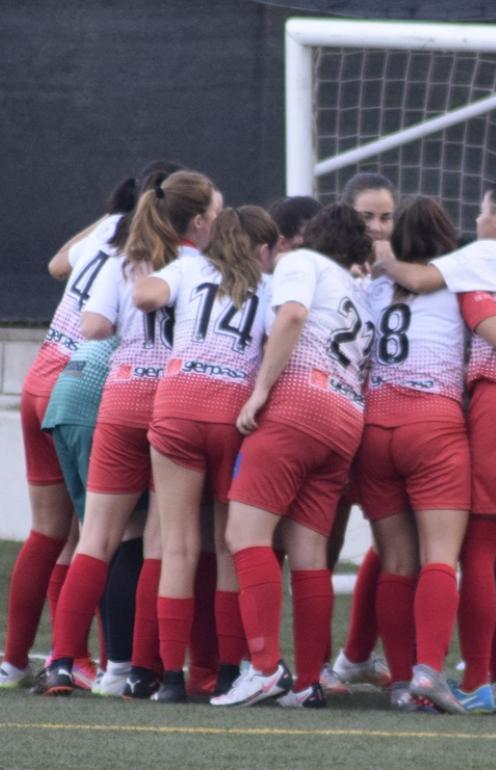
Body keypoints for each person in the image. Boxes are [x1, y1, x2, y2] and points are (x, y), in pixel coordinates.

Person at [379, 177, 496, 715]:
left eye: (483, 212)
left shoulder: (482, 254)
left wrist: (380, 255)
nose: (477, 220)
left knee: (479, 548)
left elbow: (418, 276)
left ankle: (480, 680)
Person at [33, 171, 222, 696]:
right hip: (170, 401)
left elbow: (91, 327)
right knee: (161, 541)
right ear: (199, 221)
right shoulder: (200, 267)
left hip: (119, 397)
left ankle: (63, 662)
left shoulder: (124, 260)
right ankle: (141, 670)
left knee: (96, 536)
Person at [211, 204, 374, 709]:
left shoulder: (301, 263)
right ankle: (307, 682)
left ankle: (263, 668)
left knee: (243, 534)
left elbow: (294, 315)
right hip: (346, 418)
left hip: (299, 404)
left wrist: (260, 390)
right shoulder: (361, 295)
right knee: (308, 557)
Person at [0, 173, 141, 690]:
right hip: (83, 382)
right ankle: (77, 658)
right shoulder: (153, 249)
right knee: (98, 533)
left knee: (49, 531)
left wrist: (110, 215)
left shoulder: (108, 230)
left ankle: (13, 663)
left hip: (42, 375)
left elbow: (58, 265)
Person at [133, 206, 277, 703]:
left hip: (176, 406)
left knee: (177, 546)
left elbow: (146, 296)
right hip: (233, 417)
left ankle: (171, 678)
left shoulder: (190, 267)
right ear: (262, 247)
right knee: (230, 545)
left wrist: (143, 270)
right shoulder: (269, 284)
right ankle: (232, 672)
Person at [329, 172, 398, 691]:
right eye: (366, 217)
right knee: (319, 543)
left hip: (381, 425)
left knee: (390, 540)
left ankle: (357, 655)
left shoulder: (407, 275)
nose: (377, 227)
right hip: (334, 417)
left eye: (386, 217)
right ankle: (291, 664)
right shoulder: (329, 273)